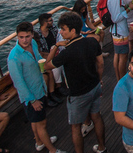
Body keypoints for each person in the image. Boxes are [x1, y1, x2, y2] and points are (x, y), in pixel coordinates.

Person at [44, 12, 106, 153]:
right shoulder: (91, 42)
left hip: (78, 94)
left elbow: (47, 65)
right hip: (95, 86)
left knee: (75, 127)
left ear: (72, 31)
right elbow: (100, 64)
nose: (60, 32)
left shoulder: (66, 53)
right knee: (97, 117)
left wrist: (55, 46)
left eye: (63, 29)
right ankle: (102, 148)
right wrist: (99, 79)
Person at [7, 22, 63, 153]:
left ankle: (39, 142)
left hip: (39, 89)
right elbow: (18, 82)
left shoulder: (32, 44)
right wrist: (32, 100)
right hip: (31, 96)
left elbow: (38, 58)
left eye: (27, 36)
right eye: (21, 37)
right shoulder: (14, 57)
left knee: (35, 122)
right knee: (42, 124)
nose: (24, 40)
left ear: (32, 34)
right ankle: (52, 150)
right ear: (17, 37)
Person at [106, 0, 131, 81]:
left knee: (118, 54)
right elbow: (115, 18)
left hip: (117, 31)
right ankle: (122, 79)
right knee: (123, 56)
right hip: (120, 31)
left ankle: (119, 79)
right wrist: (129, 9)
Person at [34, 13, 64, 103]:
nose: (52, 22)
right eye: (50, 20)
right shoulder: (38, 35)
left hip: (55, 52)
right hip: (45, 57)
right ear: (45, 23)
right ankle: (55, 90)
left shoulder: (53, 29)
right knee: (54, 67)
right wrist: (51, 55)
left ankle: (60, 87)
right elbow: (40, 52)